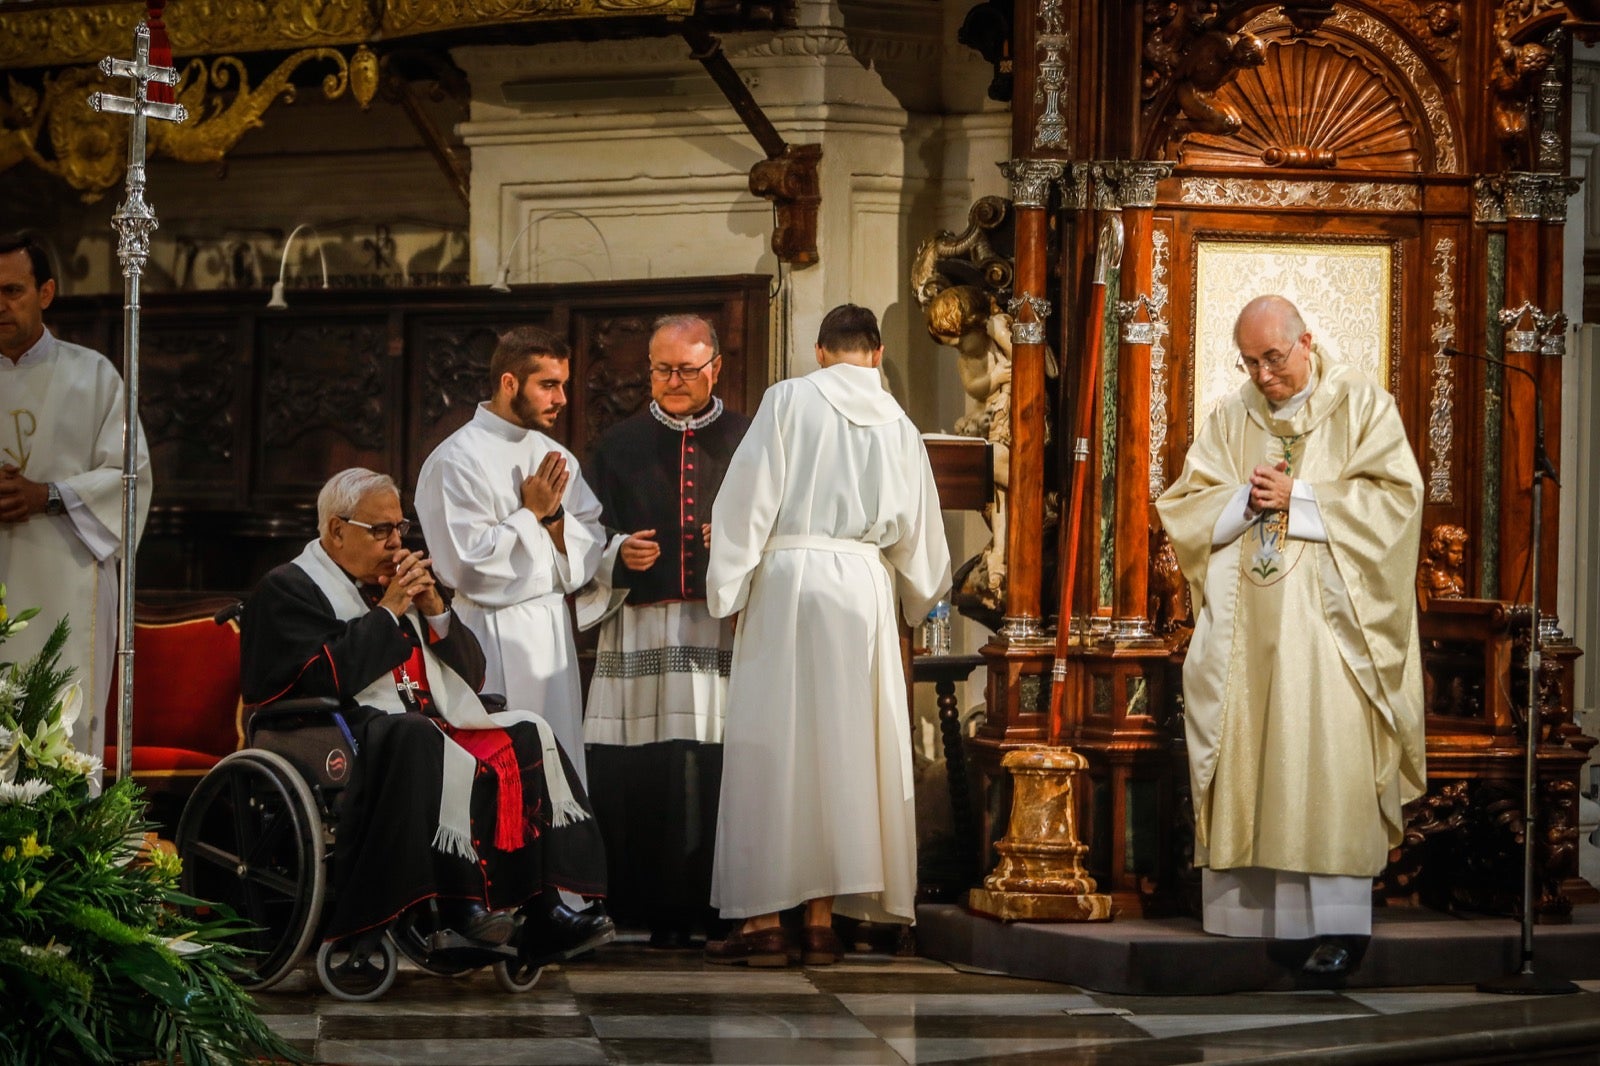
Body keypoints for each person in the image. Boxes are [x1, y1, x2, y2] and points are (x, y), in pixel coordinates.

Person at [1154, 294, 1426, 977]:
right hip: (1246, 635)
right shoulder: (1231, 414)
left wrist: (1300, 498)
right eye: (1250, 362)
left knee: (1323, 765)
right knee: (1253, 757)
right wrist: (1243, 499)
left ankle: (1337, 930)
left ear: (1306, 341)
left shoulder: (1362, 405)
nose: (1264, 375)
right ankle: (1260, 918)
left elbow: (1399, 501)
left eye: (1274, 358)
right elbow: (1186, 504)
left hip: (1332, 636)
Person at [238, 468, 614, 958]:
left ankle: (543, 908)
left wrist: (435, 607)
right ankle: (460, 910)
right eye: (381, 531)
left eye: (400, 529)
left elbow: (473, 678)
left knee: (524, 732)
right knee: (419, 737)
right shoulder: (287, 589)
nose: (396, 543)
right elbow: (320, 680)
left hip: (410, 724)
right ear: (335, 530)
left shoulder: (395, 584)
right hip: (328, 729)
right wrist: (389, 612)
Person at [704, 304, 951, 967]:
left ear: (820, 353)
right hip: (863, 593)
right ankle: (819, 921)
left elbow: (748, 499)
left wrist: (728, 586)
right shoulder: (899, 425)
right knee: (842, 755)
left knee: (774, 747)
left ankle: (761, 921)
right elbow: (923, 541)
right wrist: (915, 602)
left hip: (788, 585)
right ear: (873, 355)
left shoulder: (788, 400)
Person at [582, 314, 751, 949]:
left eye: (686, 369)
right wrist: (618, 552)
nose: (673, 381)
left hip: (719, 631)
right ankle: (646, 908)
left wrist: (736, 543)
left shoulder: (746, 440)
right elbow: (580, 535)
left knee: (715, 765)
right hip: (642, 627)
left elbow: (780, 522)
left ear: (716, 369)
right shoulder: (618, 444)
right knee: (644, 771)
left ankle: (717, 906)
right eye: (661, 369)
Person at [415, 325, 606, 785]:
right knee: (500, 776)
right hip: (488, 636)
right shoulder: (455, 459)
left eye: (563, 384)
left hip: (551, 636)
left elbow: (590, 544)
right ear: (509, 383)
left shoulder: (557, 456)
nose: (561, 398)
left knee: (558, 773)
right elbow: (465, 566)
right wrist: (530, 514)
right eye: (548, 385)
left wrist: (555, 518)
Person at [0, 232, 151, 768]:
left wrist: (50, 495)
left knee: (59, 726)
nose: (0, 304)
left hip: (67, 573)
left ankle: (64, 849)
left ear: (46, 292)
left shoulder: (92, 376)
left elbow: (130, 479)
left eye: (12, 290)